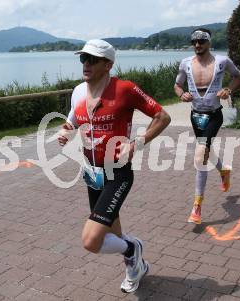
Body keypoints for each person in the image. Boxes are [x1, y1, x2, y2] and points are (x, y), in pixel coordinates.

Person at [58, 39, 171, 293]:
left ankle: (133, 249)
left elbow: (162, 117)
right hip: (91, 173)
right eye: (82, 59)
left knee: (92, 241)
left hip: (117, 172)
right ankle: (135, 267)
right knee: (113, 232)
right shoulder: (78, 91)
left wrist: (137, 144)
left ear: (108, 64)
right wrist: (64, 133)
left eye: (92, 60)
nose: (85, 64)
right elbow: (71, 123)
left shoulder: (125, 89)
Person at [174, 28, 240, 224]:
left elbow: (237, 76)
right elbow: (177, 85)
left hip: (214, 115)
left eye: (202, 41)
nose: (198, 44)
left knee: (200, 155)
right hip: (196, 116)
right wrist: (181, 94)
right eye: (194, 41)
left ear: (209, 42)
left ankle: (197, 206)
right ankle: (223, 171)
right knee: (205, 151)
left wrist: (228, 89)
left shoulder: (222, 61)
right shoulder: (185, 63)